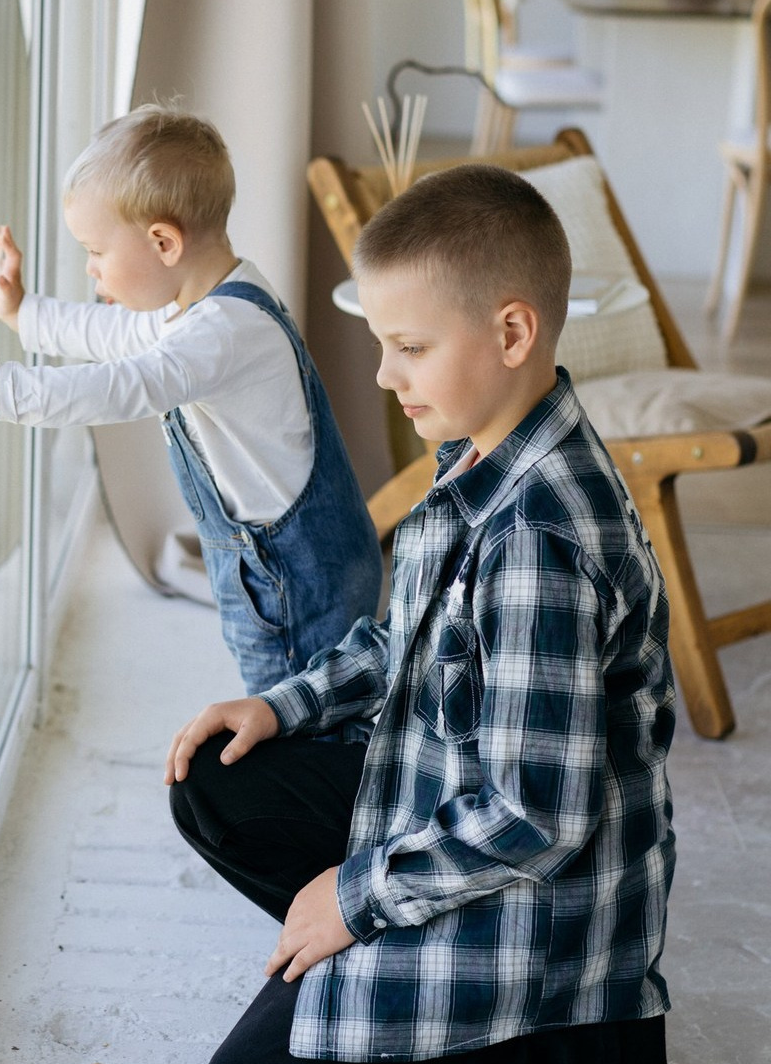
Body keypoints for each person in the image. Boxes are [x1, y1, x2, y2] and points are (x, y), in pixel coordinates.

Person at [164, 164, 675, 1063]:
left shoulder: (537, 542)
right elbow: (406, 643)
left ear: (511, 331)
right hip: (452, 803)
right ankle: (380, 926)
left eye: (410, 346)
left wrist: (354, 899)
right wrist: (282, 704)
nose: (383, 373)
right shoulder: (479, 451)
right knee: (217, 777)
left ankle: (437, 979)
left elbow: (534, 816)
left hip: (544, 939)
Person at [0, 104, 380, 695]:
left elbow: (123, 384)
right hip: (271, 568)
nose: (91, 270)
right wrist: (23, 313)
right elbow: (117, 337)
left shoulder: (226, 332)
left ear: (163, 242)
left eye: (96, 252)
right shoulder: (207, 304)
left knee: (298, 714)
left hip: (294, 580)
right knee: (294, 706)